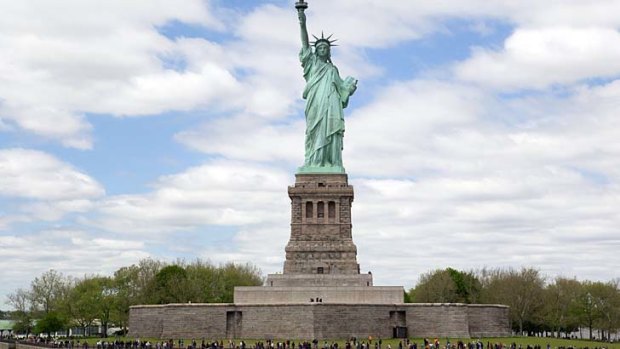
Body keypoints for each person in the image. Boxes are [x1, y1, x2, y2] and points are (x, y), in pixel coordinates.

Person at [297, 6, 357, 172]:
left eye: (326, 48)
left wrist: (349, 88)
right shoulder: (312, 63)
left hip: (331, 105)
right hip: (315, 103)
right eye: (320, 47)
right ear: (316, 51)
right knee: (313, 131)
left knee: (329, 130)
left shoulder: (332, 70)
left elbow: (342, 90)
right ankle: (313, 161)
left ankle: (330, 162)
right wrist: (302, 19)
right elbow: (304, 41)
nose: (323, 49)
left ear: (329, 51)